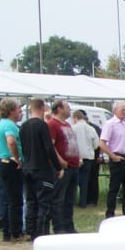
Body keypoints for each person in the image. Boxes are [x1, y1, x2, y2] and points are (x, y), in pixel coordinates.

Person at [19, 98, 63, 240]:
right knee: (44, 203)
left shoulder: (23, 126)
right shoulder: (42, 126)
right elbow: (49, 148)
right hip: (41, 169)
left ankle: (31, 231)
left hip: (27, 168)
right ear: (42, 108)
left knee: (31, 201)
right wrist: (58, 166)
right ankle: (41, 232)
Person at [99, 101, 125, 218]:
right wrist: (112, 156)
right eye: (122, 110)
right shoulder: (110, 124)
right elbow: (102, 143)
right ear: (115, 111)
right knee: (114, 187)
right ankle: (110, 213)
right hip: (118, 158)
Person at [46, 99, 80, 233]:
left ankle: (69, 225)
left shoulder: (67, 124)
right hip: (62, 168)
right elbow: (51, 146)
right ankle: (59, 226)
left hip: (74, 166)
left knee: (70, 199)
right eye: (67, 107)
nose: (69, 109)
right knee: (59, 198)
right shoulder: (52, 125)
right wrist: (59, 161)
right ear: (59, 109)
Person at [0, 98, 23, 240]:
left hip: (2, 163)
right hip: (10, 164)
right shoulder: (10, 125)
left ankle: (7, 231)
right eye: (18, 109)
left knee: (7, 199)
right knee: (15, 200)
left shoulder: (1, 123)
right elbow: (11, 141)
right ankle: (14, 232)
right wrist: (17, 158)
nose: (19, 112)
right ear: (11, 111)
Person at [70, 109, 100, 208]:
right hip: (88, 157)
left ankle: (72, 201)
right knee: (85, 181)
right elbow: (96, 144)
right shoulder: (91, 129)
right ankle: (83, 202)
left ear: (75, 118)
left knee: (74, 180)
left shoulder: (72, 128)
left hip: (76, 157)